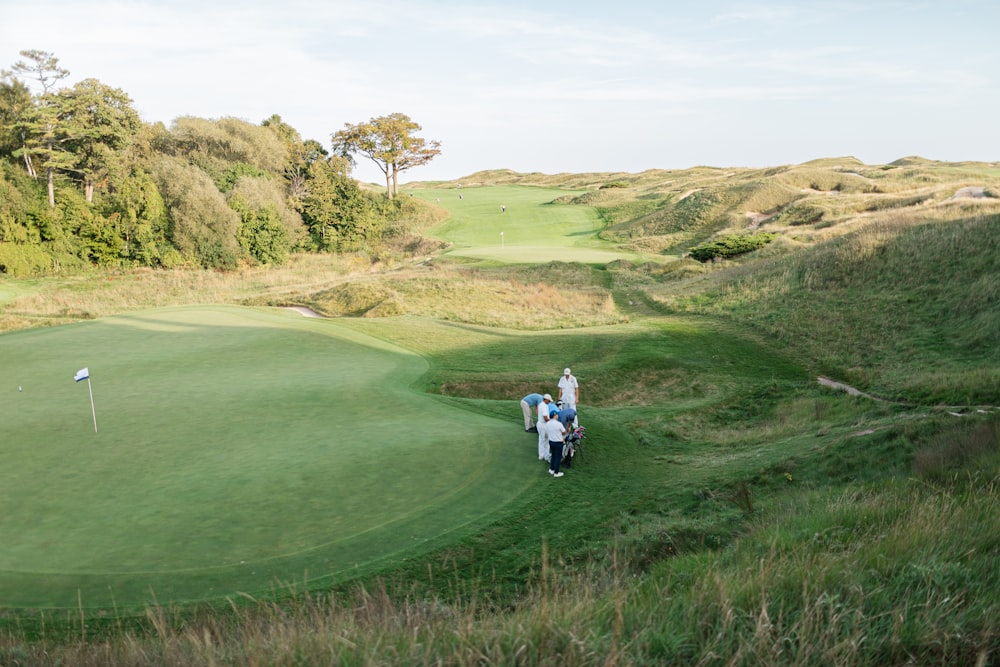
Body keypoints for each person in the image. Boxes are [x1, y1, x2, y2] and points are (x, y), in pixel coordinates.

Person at [544, 411, 568, 477]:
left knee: (553, 455)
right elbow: (564, 432)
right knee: (558, 457)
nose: (557, 415)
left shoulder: (548, 423)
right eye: (556, 415)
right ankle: (556, 472)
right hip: (558, 442)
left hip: (551, 442)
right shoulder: (559, 424)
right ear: (555, 416)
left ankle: (551, 469)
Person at [537, 394, 553, 461]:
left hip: (540, 424)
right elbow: (545, 418)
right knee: (546, 440)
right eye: (548, 400)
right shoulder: (544, 406)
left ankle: (541, 455)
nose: (549, 402)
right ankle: (546, 456)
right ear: (545, 399)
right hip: (544, 425)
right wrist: (552, 421)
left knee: (541, 439)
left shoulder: (541, 404)